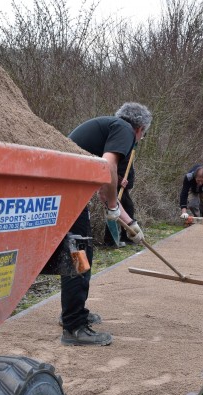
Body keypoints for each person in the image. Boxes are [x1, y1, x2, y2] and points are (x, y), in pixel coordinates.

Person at [61, 102, 152, 346]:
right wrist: (113, 206)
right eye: (143, 135)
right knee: (79, 253)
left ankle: (73, 313)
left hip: (65, 189)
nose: (139, 140)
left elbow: (104, 192)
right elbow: (109, 167)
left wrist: (131, 225)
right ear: (140, 129)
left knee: (78, 251)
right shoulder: (123, 130)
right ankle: (74, 326)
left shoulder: (108, 128)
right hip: (66, 191)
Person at [103, 145, 136, 247]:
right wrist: (118, 179)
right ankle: (110, 240)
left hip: (123, 185)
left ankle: (125, 237)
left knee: (128, 208)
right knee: (114, 211)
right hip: (114, 184)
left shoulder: (129, 147)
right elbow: (110, 164)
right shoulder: (118, 147)